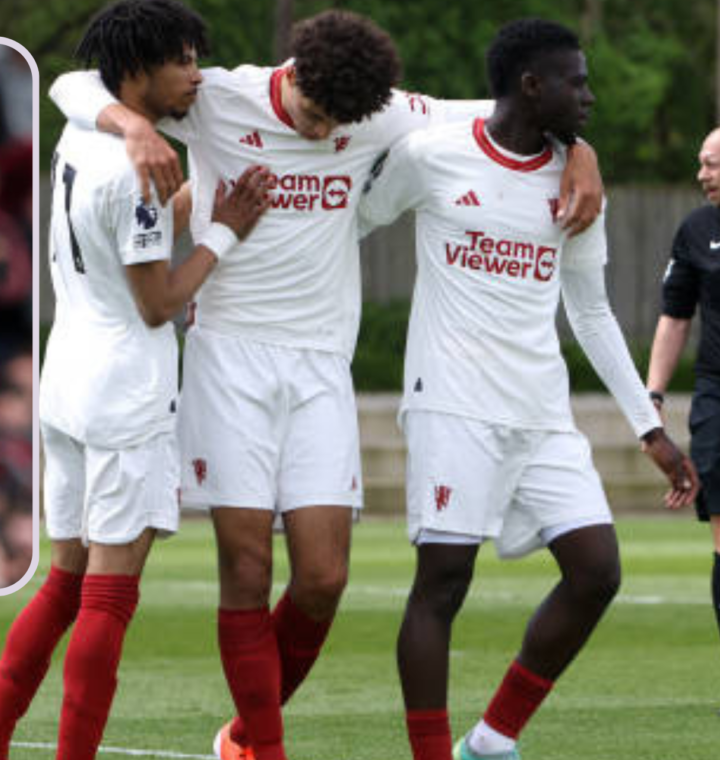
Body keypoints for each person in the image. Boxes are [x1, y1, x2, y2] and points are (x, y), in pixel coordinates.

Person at [50, 9, 604, 760]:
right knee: (246, 570)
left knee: (323, 579)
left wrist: (579, 150)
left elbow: (509, 108)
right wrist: (134, 127)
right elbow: (71, 82)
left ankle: (241, 734)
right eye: (313, 116)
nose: (320, 135)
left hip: (320, 367)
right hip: (228, 358)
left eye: (338, 127)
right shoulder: (218, 98)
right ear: (293, 75)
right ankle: (261, 749)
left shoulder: (382, 113)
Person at [357, 19, 699, 760]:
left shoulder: (577, 183)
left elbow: (593, 309)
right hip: (451, 400)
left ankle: (493, 737)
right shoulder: (433, 155)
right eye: (576, 82)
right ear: (530, 85)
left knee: (597, 570)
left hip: (542, 412)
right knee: (443, 581)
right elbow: (355, 219)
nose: (590, 97)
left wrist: (648, 427)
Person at [0, 3, 270, 760]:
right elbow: (157, 301)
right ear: (137, 70)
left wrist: (190, 202)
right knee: (109, 597)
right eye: (184, 59)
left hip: (67, 374)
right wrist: (226, 230)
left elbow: (118, 232)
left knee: (62, 584)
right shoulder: (132, 167)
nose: (196, 74)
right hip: (124, 393)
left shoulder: (86, 130)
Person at [646, 126, 720, 659]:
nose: (702, 175)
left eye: (712, 164)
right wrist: (651, 396)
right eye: (700, 163)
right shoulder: (695, 231)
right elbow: (675, 319)